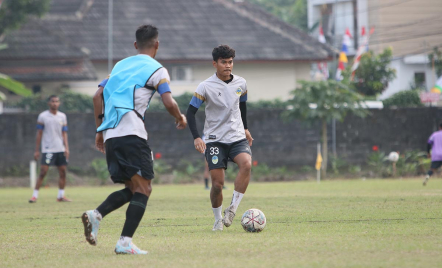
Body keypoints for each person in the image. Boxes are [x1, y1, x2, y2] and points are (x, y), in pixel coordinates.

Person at [81, 24, 187, 255]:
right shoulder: (158, 69)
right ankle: (124, 242)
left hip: (112, 136)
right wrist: (180, 117)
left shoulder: (119, 66)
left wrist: (100, 130)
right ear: (157, 44)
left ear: (135, 45)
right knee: (145, 188)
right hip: (132, 134)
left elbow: (97, 95)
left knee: (133, 187)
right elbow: (169, 102)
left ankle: (96, 215)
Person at [186, 45, 253, 231]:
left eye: (230, 62)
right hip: (215, 140)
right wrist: (197, 137)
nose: (228, 65)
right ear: (215, 64)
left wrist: (246, 128)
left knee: (246, 164)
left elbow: (242, 106)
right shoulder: (205, 86)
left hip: (237, 137)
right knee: (217, 184)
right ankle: (217, 220)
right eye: (223, 62)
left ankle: (232, 209)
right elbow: (190, 113)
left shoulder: (241, 83)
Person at [29, 95, 71, 203]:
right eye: (53, 101)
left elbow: (64, 133)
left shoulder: (62, 116)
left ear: (59, 103)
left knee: (63, 172)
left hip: (60, 149)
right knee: (43, 172)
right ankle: (34, 196)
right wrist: (37, 150)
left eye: (57, 101)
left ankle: (61, 196)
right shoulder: (43, 116)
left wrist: (66, 148)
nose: (55, 103)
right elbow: (39, 133)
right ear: (49, 103)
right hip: (48, 149)